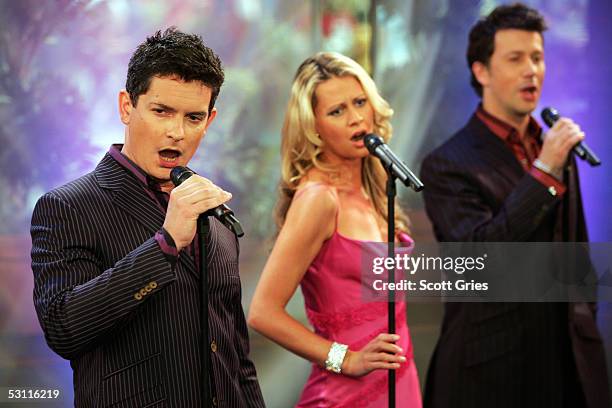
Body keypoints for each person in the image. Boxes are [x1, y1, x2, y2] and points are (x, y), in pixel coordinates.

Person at [30, 28, 264, 407]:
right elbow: (64, 329)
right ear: (127, 106)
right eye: (161, 111)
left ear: (210, 120)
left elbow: (237, 357)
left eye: (193, 117)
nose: (176, 132)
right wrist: (166, 243)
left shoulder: (215, 213)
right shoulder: (68, 206)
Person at [420, 4, 609, 408]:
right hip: (492, 368)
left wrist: (583, 317)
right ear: (481, 72)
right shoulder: (448, 163)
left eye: (537, 58)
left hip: (568, 360)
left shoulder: (554, 148)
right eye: (515, 59)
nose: (532, 70)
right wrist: (543, 172)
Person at [248, 52, 422, 407]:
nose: (356, 118)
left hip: (400, 383)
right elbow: (262, 312)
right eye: (337, 111)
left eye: (360, 102)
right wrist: (346, 358)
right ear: (313, 126)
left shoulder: (374, 185)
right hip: (345, 395)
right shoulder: (318, 199)